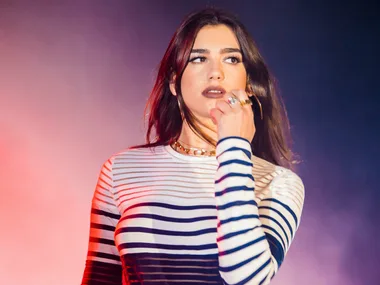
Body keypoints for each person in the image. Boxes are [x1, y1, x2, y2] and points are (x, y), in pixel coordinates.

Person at [81, 7, 305, 285]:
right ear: (174, 82)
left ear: (249, 84)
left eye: (232, 59)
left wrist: (234, 146)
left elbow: (246, 278)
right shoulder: (121, 170)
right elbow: (99, 279)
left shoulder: (278, 183)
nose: (216, 73)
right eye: (199, 58)